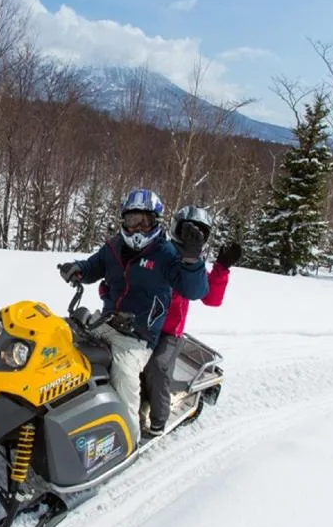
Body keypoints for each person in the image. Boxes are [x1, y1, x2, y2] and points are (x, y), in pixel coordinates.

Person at [57, 189, 209, 445]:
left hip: (138, 337)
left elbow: (195, 290)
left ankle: (129, 438)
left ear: (156, 222)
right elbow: (93, 266)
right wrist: (77, 269)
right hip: (105, 322)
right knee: (65, 342)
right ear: (123, 221)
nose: (138, 228)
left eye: (145, 222)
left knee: (124, 375)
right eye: (132, 220)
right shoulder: (114, 248)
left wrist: (193, 261)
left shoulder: (166, 254)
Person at [140, 207, 242, 436]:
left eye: (200, 233)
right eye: (188, 230)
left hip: (168, 333)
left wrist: (221, 268)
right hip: (141, 323)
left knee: (157, 367)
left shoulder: (193, 264)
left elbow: (210, 298)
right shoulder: (159, 251)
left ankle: (157, 421)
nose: (192, 237)